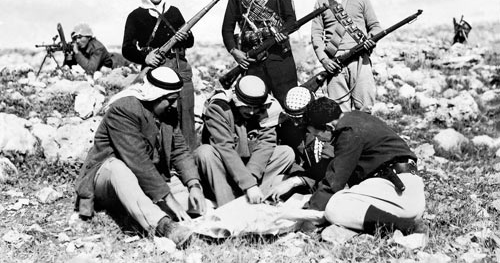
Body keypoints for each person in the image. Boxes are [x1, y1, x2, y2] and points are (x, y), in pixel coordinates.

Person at [74, 67, 206, 247]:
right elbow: (138, 161)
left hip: (149, 181)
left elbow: (180, 150)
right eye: (170, 100)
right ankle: (163, 226)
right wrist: (168, 198)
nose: (175, 105)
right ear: (155, 96)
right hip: (108, 179)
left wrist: (194, 184)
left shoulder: (167, 113)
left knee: (195, 203)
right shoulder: (124, 110)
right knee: (118, 169)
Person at [270, 96, 426, 235]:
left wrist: (308, 215)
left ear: (329, 127)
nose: (321, 140)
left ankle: (406, 227)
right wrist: (296, 181)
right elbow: (329, 170)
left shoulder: (349, 133)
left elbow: (334, 181)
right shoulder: (355, 118)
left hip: (401, 193)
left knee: (335, 206)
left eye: (318, 135)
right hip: (400, 184)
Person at [122, 0, 197, 151]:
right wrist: (145, 57)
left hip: (180, 66)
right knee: (162, 117)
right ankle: (164, 163)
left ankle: (191, 162)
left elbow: (190, 41)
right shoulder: (135, 16)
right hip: (156, 69)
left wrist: (184, 36)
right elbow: (127, 48)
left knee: (186, 114)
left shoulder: (174, 12)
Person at [195, 75, 295, 207]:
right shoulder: (219, 108)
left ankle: (254, 199)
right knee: (205, 152)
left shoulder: (268, 108)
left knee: (286, 153)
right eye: (247, 107)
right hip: (223, 166)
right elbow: (224, 148)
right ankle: (228, 206)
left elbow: (266, 144)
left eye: (256, 108)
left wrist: (251, 178)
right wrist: (248, 184)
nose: (253, 112)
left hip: (248, 165)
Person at [222, 0, 298, 106]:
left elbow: (291, 20)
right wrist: (235, 51)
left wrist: (282, 32)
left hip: (280, 57)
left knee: (288, 105)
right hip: (253, 60)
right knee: (254, 108)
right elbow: (227, 29)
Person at [311, 0, 382, 112]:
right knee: (339, 113)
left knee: (364, 108)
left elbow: (375, 27)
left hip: (360, 59)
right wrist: (324, 60)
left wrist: (371, 40)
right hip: (334, 62)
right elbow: (316, 35)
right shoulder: (321, 3)